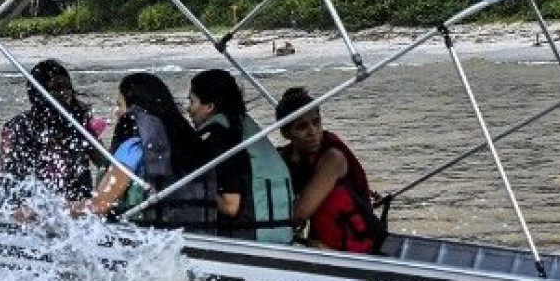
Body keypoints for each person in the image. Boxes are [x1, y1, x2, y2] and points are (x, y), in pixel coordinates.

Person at [72, 72, 218, 229]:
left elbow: (100, 206)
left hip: (147, 237)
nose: (116, 111)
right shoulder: (187, 142)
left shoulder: (132, 146)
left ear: (134, 109)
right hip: (198, 235)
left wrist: (55, 209)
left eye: (120, 105)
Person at [185, 69, 295, 242]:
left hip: (252, 240)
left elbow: (230, 206)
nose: (188, 109)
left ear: (209, 106)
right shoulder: (243, 125)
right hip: (280, 234)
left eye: (192, 101)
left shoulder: (219, 136)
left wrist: (193, 189)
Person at [275, 86, 382, 252]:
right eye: (302, 127)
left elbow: (300, 213)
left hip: (361, 248)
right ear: (285, 133)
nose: (313, 132)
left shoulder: (333, 158)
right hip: (328, 244)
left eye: (316, 122)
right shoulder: (289, 157)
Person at [0, 58, 103, 206]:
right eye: (55, 89)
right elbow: (0, 169)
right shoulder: (19, 126)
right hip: (31, 206)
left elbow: (103, 161)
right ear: (38, 94)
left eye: (66, 88)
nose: (63, 94)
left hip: (75, 204)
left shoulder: (79, 125)